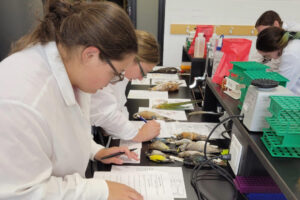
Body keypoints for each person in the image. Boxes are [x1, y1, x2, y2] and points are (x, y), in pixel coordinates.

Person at [0, 1, 144, 200]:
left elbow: (64, 132)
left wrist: (96, 151)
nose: (113, 81)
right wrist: (100, 191)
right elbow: (22, 193)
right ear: (90, 55)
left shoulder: (71, 65)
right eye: (115, 73)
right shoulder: (24, 102)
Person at [90, 30, 161, 142]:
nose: (141, 78)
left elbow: (118, 105)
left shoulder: (121, 73)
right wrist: (138, 135)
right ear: (132, 59)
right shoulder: (104, 70)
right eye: (142, 72)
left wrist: (120, 128)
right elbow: (105, 111)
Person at [256, 26, 300, 96]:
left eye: (267, 56)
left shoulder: (291, 53)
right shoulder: (287, 46)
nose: (268, 58)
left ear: (274, 48)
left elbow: (284, 85)